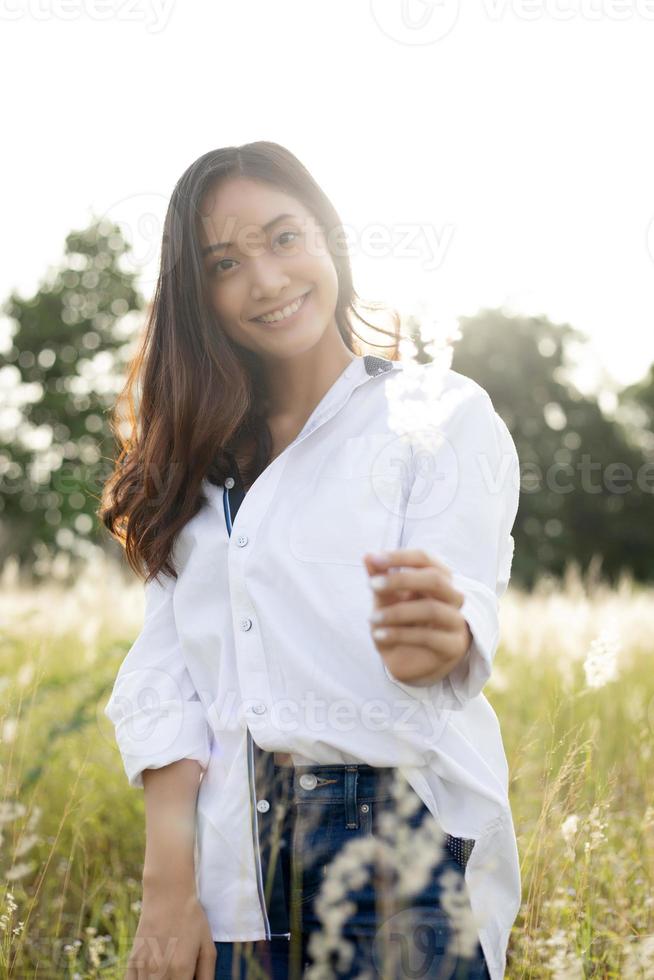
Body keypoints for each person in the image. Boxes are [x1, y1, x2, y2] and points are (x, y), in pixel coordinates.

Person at [100, 141, 521, 980]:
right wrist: (165, 889)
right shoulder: (188, 464)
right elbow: (168, 686)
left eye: (285, 237)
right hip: (226, 877)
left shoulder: (436, 416)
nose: (266, 279)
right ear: (200, 295)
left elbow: (462, 606)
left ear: (330, 239)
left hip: (395, 852)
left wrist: (437, 640)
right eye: (226, 262)